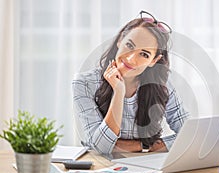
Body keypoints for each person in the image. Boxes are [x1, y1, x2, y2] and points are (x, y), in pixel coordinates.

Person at [72, 10, 189, 155]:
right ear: (120, 40)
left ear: (153, 61)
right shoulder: (84, 83)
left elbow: (189, 135)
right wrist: (118, 92)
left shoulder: (162, 86)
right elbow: (102, 147)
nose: (131, 58)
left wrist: (146, 146)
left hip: (146, 164)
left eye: (144, 54)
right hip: (101, 167)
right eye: (129, 45)